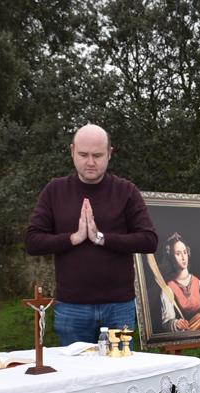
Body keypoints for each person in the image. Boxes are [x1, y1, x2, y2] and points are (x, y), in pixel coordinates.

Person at [25, 124, 158, 345]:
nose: (90, 162)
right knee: (77, 378)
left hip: (119, 306)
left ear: (109, 154)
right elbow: (33, 241)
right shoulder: (55, 190)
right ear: (71, 152)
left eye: (97, 155)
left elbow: (149, 240)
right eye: (83, 155)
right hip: (72, 307)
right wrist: (73, 238)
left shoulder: (125, 191)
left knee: (121, 374)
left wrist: (102, 238)